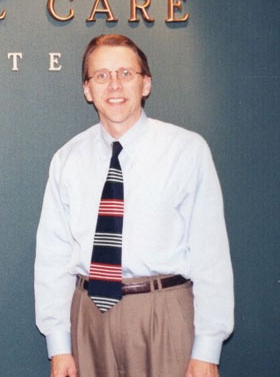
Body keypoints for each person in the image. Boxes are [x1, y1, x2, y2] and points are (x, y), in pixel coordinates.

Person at [34, 34, 233, 377]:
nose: (114, 85)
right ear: (87, 89)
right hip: (88, 319)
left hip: (164, 316)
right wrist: (59, 345)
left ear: (146, 84)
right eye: (101, 75)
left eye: (126, 73)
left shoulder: (187, 151)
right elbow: (53, 256)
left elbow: (210, 255)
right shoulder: (67, 159)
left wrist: (208, 349)